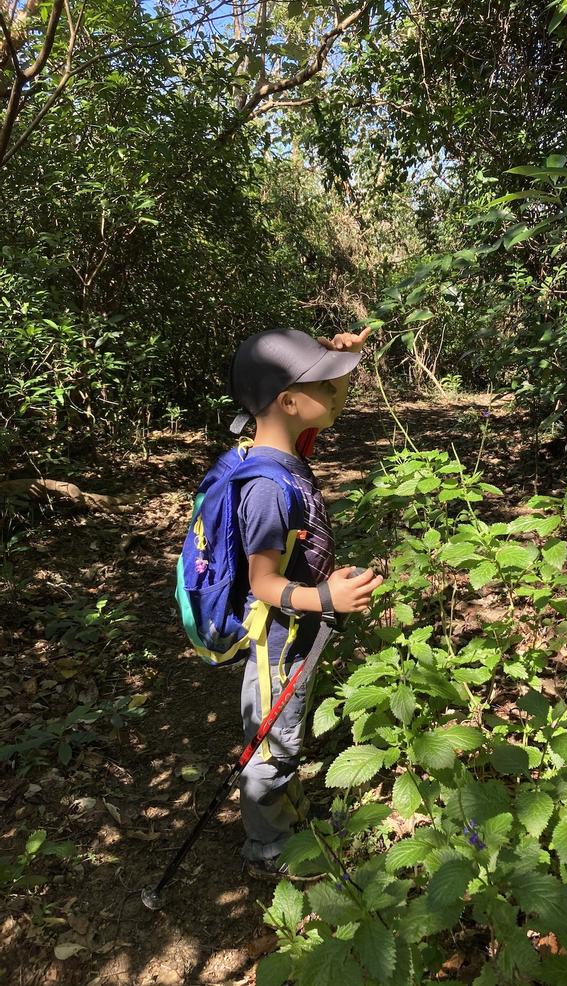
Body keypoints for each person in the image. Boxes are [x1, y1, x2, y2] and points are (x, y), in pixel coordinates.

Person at [227, 326, 383, 880]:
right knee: (271, 746)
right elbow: (263, 582)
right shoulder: (268, 487)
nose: (341, 392)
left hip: (298, 633)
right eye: (329, 384)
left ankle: (289, 820)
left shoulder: (282, 444)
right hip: (279, 639)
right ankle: (267, 849)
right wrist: (325, 596)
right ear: (289, 400)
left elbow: (316, 406)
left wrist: (343, 356)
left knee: (286, 733)